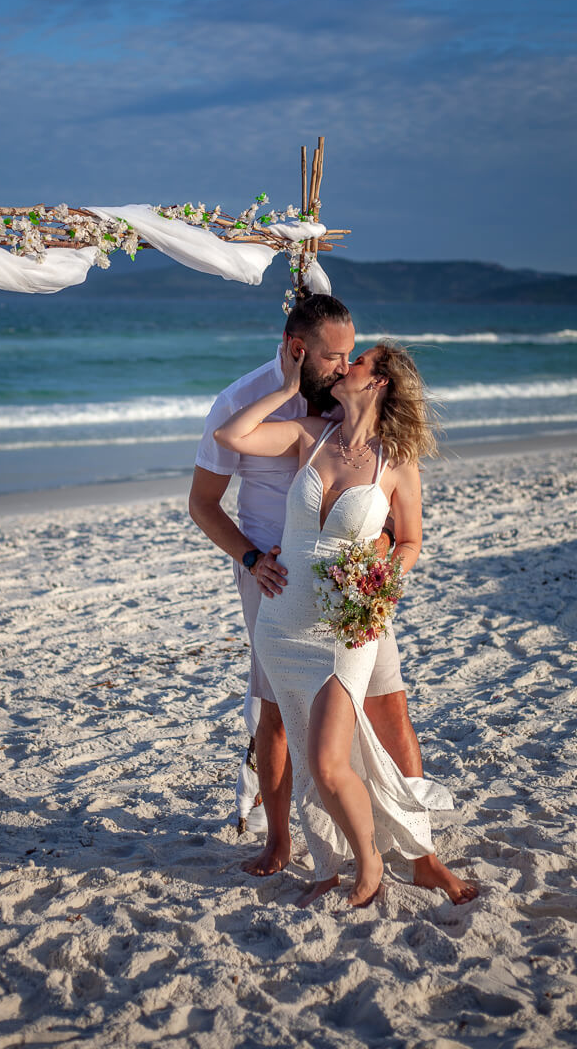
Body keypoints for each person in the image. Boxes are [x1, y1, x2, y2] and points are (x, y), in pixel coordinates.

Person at [189, 293, 477, 904]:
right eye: (336, 357)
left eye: (354, 358)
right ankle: (294, 847)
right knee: (278, 721)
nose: (344, 365)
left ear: (377, 384)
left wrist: (382, 579)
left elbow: (408, 536)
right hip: (277, 590)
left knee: (388, 711)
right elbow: (213, 477)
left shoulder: (387, 452)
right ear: (299, 350)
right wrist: (251, 559)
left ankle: (420, 855)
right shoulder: (286, 421)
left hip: (354, 603)